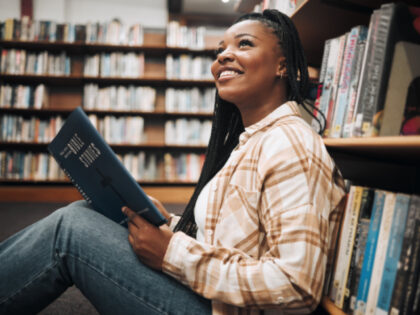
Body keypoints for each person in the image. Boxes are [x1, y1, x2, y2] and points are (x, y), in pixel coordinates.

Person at [0, 9, 346, 315]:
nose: (224, 56)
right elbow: (242, 240)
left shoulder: (291, 145)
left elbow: (296, 285)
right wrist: (169, 222)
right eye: (220, 49)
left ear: (282, 65)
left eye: (243, 44)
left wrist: (173, 254)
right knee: (87, 215)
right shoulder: (255, 139)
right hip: (212, 297)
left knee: (70, 229)